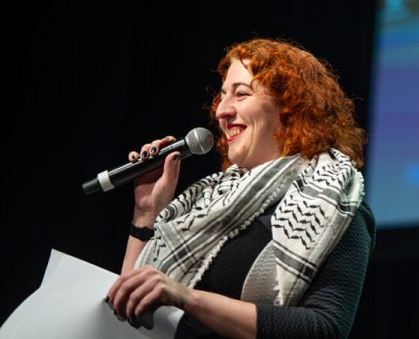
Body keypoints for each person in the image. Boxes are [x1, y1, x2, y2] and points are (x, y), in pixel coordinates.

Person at [106, 38, 375, 339]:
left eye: (241, 94)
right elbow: (127, 308)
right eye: (222, 96)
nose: (221, 111)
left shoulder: (334, 203)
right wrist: (146, 215)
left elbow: (325, 328)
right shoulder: (209, 199)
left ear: (290, 106)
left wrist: (188, 298)